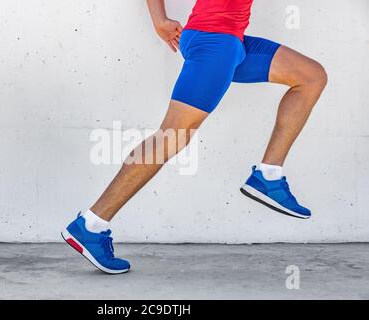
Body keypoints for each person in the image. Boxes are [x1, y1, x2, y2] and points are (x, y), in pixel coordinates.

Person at [61, 0, 327, 274]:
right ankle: (91, 225)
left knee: (311, 75)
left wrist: (161, 21)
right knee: (172, 136)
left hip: (231, 41)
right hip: (215, 42)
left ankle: (268, 175)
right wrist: (159, 21)